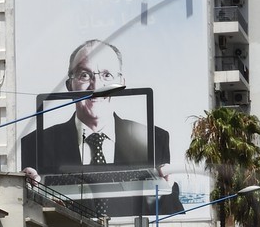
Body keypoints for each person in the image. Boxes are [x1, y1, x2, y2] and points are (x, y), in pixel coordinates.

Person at [19, 38, 181, 216]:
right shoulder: (34, 144)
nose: (96, 87)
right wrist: (28, 192)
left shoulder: (155, 140)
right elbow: (31, 218)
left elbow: (171, 217)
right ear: (69, 85)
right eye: (84, 75)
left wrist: (164, 192)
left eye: (107, 75)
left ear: (121, 84)